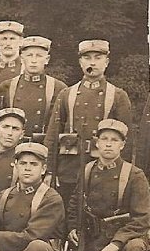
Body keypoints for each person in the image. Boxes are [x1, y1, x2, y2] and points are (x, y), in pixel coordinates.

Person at [67, 119, 149, 251]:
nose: (109, 144)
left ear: (123, 144)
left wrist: (115, 244)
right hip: (95, 238)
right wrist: (73, 227)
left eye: (115, 140)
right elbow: (75, 203)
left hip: (123, 238)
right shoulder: (86, 171)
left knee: (137, 248)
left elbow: (142, 218)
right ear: (97, 143)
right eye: (104, 139)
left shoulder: (134, 175)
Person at [45, 40, 132, 207]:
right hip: (68, 170)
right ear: (80, 62)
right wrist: (49, 170)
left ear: (106, 62)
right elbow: (52, 136)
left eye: (98, 57)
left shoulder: (118, 96)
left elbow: (126, 142)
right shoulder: (66, 94)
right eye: (87, 58)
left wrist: (121, 174)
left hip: (103, 169)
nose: (92, 62)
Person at [0, 36, 66, 140]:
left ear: (47, 59)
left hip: (42, 147)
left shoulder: (59, 88)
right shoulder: (7, 86)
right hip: (12, 145)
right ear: (22, 58)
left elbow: (61, 126)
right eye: (29, 55)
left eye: (39, 56)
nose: (34, 60)